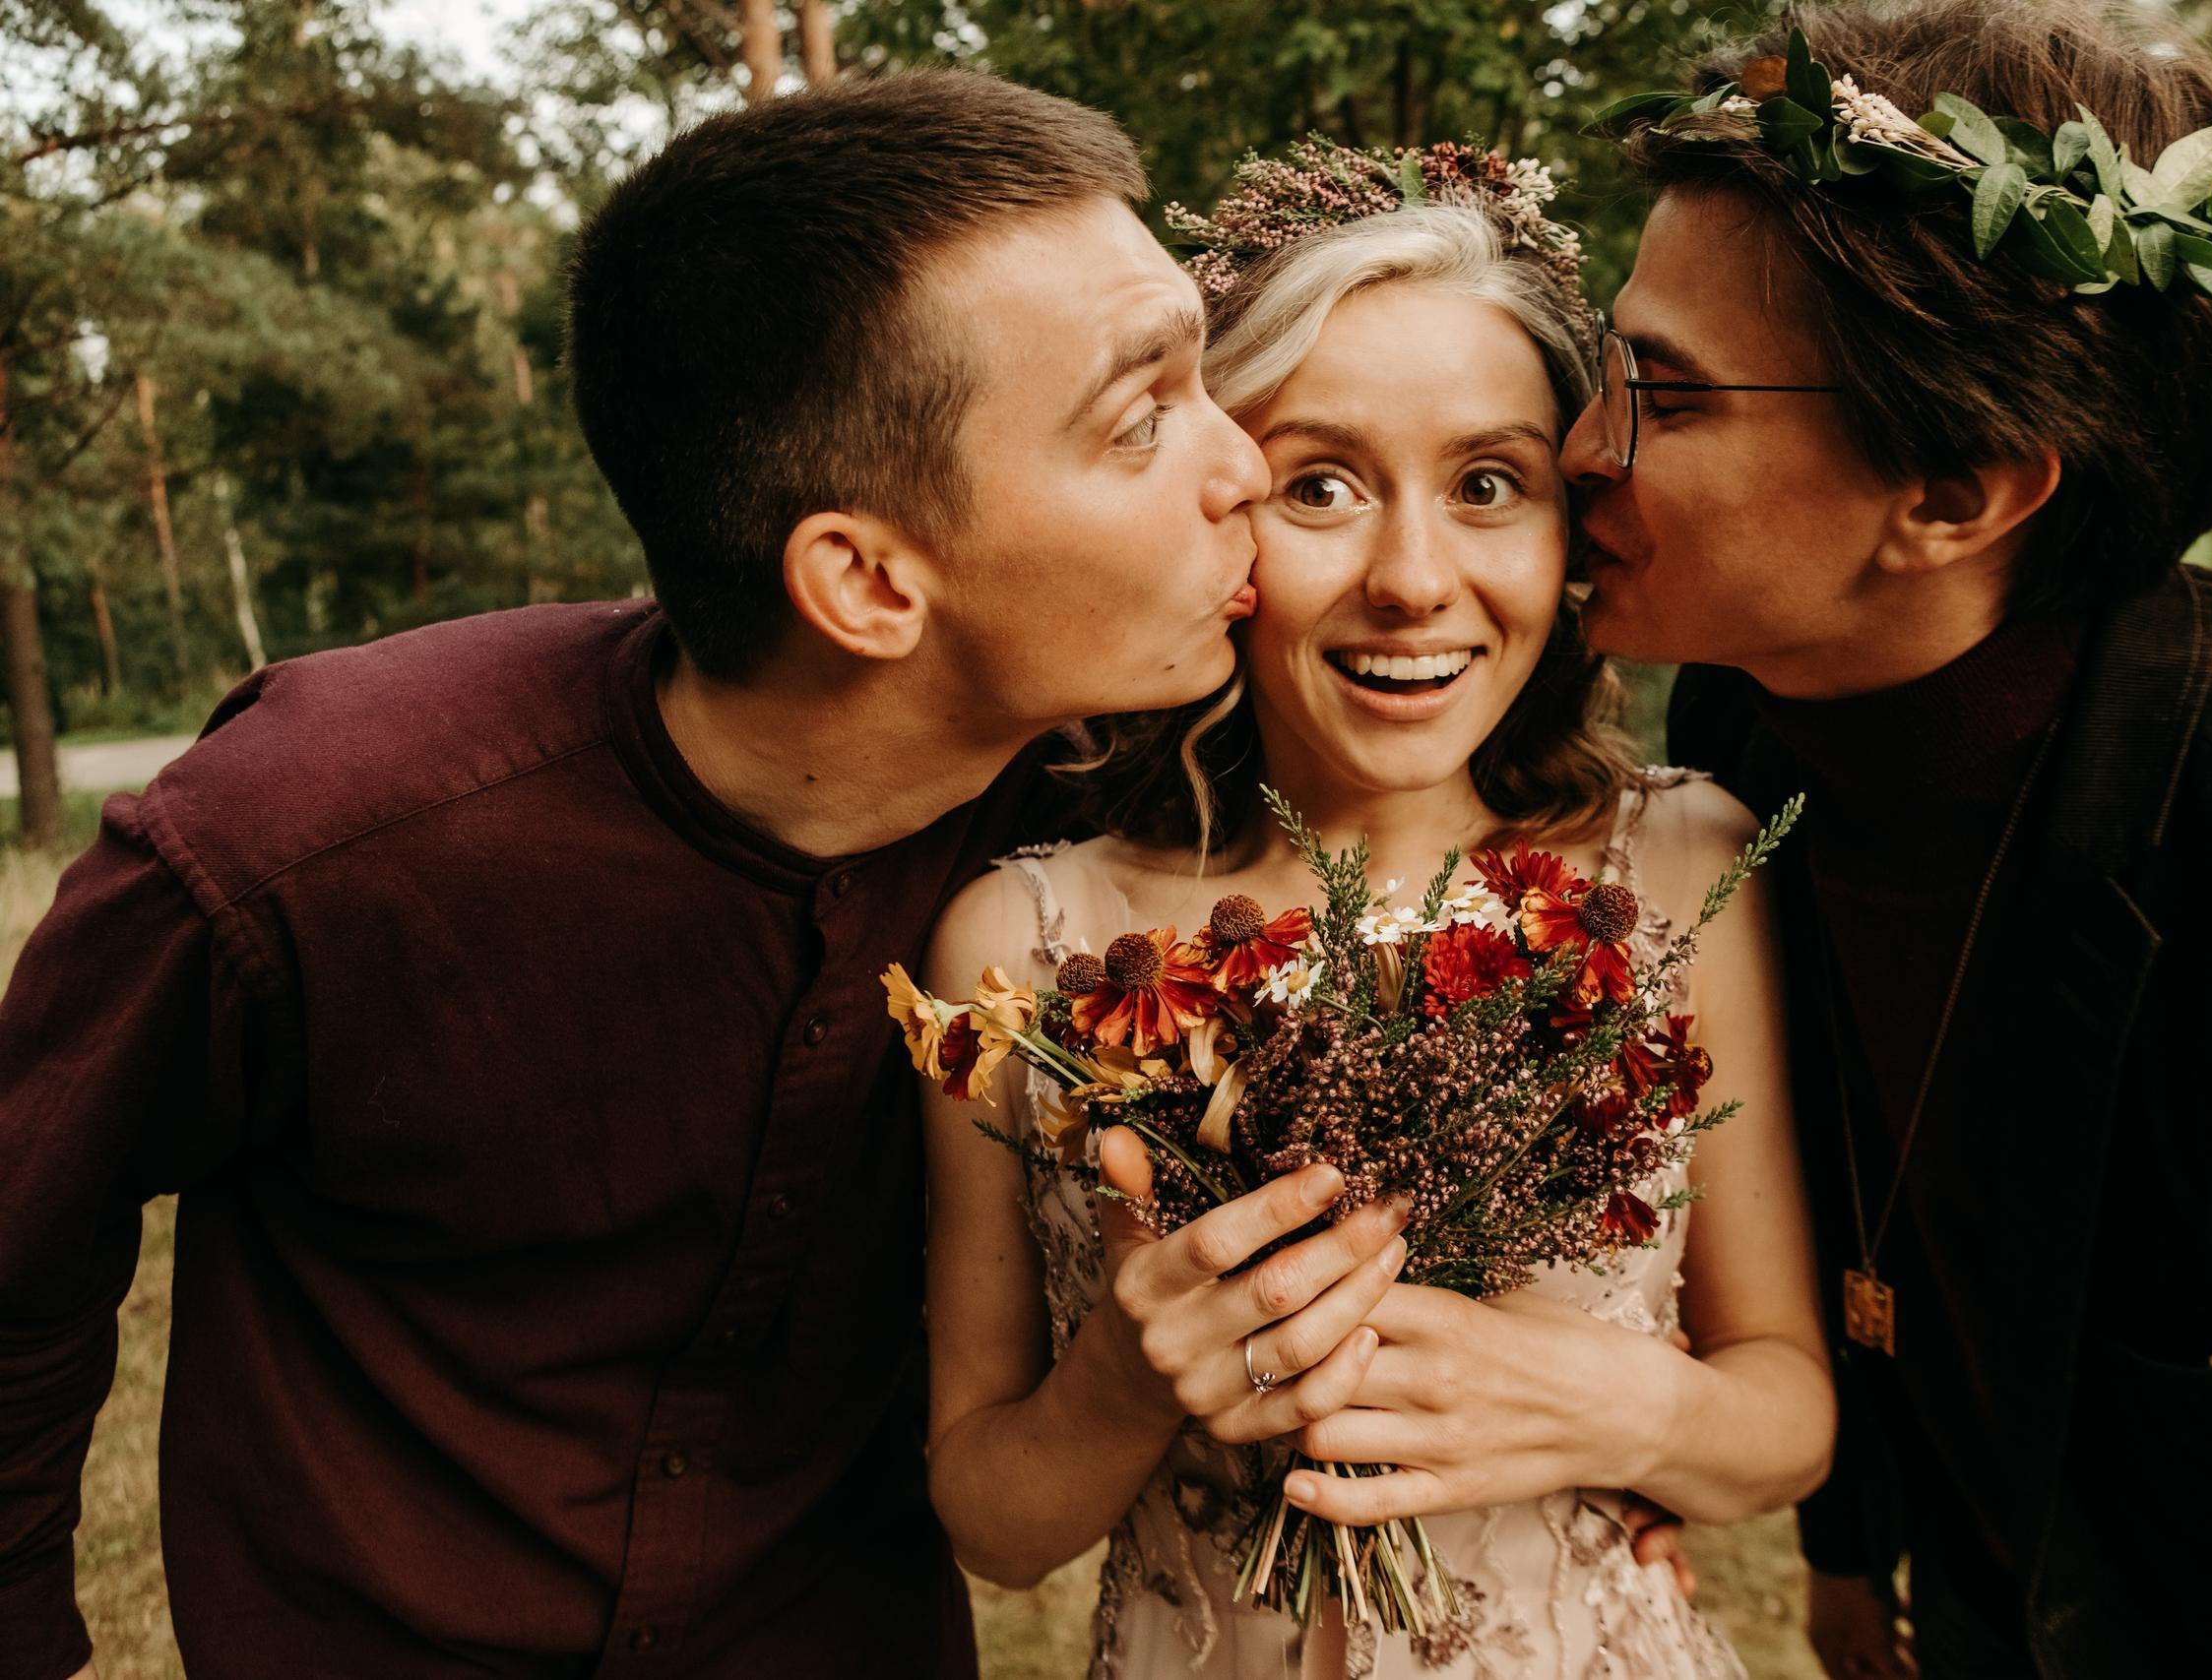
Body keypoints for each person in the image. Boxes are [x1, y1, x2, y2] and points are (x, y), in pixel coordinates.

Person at [0, 69, 1284, 1680]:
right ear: (870, 581)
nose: (1243, 467)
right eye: (1143, 416)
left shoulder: (1118, 838)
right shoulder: (305, 841)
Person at [1566, 2, 2212, 1675]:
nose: (1581, 447)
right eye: (1604, 361)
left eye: (1667, 395)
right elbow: (1847, 1157)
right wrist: (1857, 1538)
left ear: (1957, 496)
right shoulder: (1742, 722)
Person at [917, 146, 1834, 1679]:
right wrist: (1126, 1389)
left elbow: (1786, 1421)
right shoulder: (1019, 947)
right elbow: (995, 1526)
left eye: (1489, 486)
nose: (1413, 580)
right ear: (1216, 512)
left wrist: (1609, 1403)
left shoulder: (1678, 874)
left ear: (1569, 525)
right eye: (1320, 487)